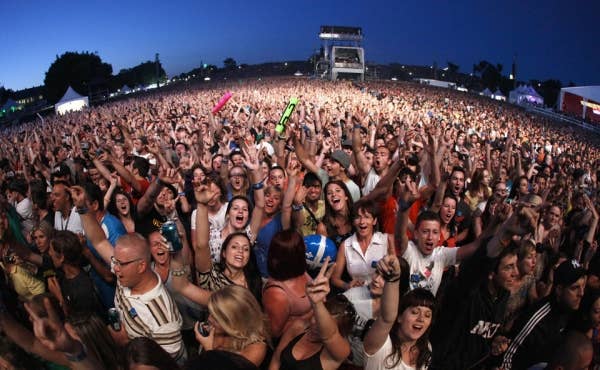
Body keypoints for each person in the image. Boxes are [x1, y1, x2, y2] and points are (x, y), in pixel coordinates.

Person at [72, 185, 186, 363]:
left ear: (141, 266)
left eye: (120, 264)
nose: (114, 268)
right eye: (115, 261)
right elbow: (99, 240)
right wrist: (82, 208)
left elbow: (167, 364)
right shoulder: (126, 271)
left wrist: (126, 343)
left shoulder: (163, 317)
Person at [500, 259, 587, 369]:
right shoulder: (537, 319)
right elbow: (506, 358)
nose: (581, 293)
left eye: (583, 286)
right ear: (559, 290)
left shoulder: (567, 308)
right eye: (575, 288)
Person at [269, 257, 354, 370]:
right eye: (316, 318)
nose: (315, 325)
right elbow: (276, 359)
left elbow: (330, 335)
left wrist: (317, 302)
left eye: (323, 325)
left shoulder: (340, 351)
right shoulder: (299, 326)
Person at [195, 285, 269, 367]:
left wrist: (209, 350)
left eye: (216, 318)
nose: (209, 319)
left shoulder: (256, 348)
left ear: (235, 322)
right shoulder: (214, 330)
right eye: (210, 313)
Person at [331, 199, 392, 291]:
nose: (362, 221)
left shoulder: (386, 240)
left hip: (382, 296)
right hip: (356, 296)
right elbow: (335, 279)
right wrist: (347, 285)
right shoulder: (345, 245)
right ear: (353, 221)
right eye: (358, 217)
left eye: (367, 217)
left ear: (374, 221)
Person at [263, 230, 313, 339]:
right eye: (302, 246)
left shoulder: (301, 271)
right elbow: (275, 333)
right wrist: (313, 313)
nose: (306, 247)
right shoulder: (276, 293)